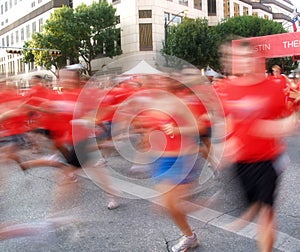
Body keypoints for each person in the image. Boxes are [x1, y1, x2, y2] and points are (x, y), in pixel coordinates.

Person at [216, 40, 297, 252]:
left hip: (268, 159)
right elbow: (228, 121)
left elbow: (291, 121)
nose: (241, 62)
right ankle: (249, 211)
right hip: (241, 161)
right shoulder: (226, 88)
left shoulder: (275, 86)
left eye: (245, 57)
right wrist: (227, 143)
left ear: (256, 60)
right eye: (236, 58)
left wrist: (272, 128)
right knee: (250, 208)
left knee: (266, 214)